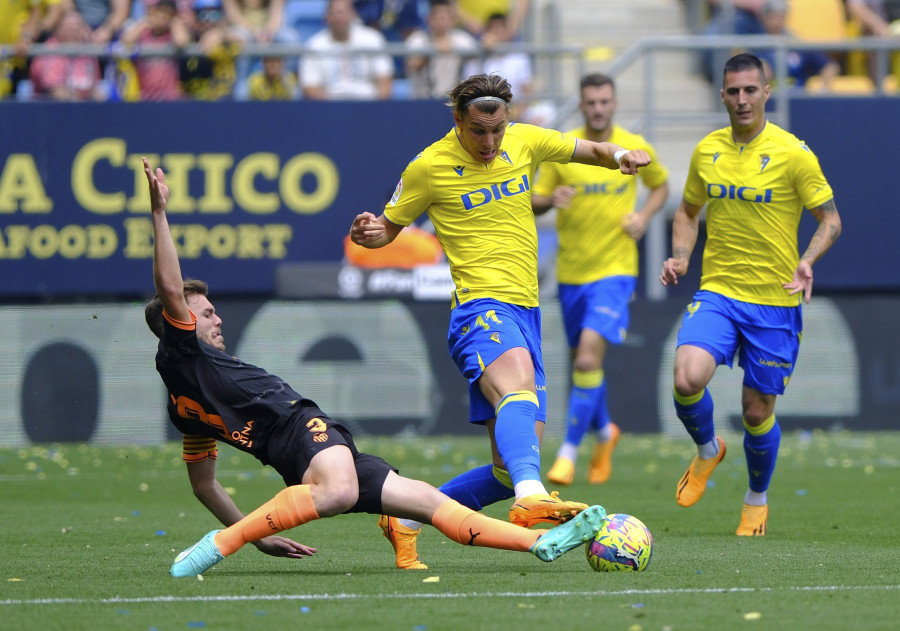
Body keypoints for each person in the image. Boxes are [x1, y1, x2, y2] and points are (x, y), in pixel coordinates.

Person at [140, 156, 609, 577]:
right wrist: (160, 213)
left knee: (403, 498)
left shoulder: (191, 391)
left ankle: (539, 542)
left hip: (307, 433)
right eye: (204, 314)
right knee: (419, 501)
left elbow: (205, 482)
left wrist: (254, 532)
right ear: (174, 322)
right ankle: (539, 540)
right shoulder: (183, 363)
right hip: (301, 455)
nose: (217, 318)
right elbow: (203, 483)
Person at [349, 73, 651, 569]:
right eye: (478, 132)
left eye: (497, 131)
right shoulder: (429, 166)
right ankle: (533, 496)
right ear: (457, 121)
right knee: (518, 394)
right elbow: (388, 230)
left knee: (505, 468)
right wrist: (369, 233)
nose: (489, 143)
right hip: (478, 309)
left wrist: (621, 157)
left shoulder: (526, 140)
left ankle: (402, 518)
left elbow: (591, 149)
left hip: (525, 311)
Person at [659, 53, 842, 536]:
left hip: (775, 300)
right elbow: (687, 211)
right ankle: (706, 451)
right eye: (733, 91)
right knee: (685, 378)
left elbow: (831, 219)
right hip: (719, 291)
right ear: (722, 95)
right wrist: (680, 255)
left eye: (750, 90)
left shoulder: (793, 153)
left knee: (756, 411)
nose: (742, 99)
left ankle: (756, 499)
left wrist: (807, 260)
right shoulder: (708, 150)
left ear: (766, 93)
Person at [532, 73, 670, 487]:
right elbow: (534, 200)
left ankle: (568, 453)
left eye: (604, 101)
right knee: (584, 365)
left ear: (614, 104)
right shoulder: (565, 150)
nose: (597, 108)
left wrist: (643, 217)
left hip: (614, 270)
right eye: (590, 101)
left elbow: (660, 187)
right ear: (581, 105)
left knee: (588, 359)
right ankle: (607, 430)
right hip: (572, 273)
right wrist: (550, 199)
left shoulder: (633, 146)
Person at [300, 0, 394, 100]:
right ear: (326, 17)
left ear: (353, 14)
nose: (338, 18)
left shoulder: (373, 39)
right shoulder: (314, 45)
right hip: (329, 108)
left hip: (368, 105)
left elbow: (385, 81)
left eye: (342, 12)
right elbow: (309, 88)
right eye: (333, 13)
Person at [750, 0, 840, 91]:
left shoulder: (796, 44)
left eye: (781, 16)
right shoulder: (755, 44)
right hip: (769, 98)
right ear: (764, 17)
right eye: (772, 16)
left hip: (799, 97)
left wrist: (824, 87)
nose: (777, 21)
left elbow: (829, 66)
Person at [461, 13, 532, 121]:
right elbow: (469, 90)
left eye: (501, 28)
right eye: (493, 28)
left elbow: (526, 89)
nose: (497, 31)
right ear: (486, 32)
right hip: (484, 110)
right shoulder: (475, 57)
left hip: (515, 108)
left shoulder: (519, 57)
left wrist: (519, 110)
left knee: (544, 113)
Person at [405, 0, 478, 100]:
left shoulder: (461, 38)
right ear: (429, 19)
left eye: (444, 17)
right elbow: (413, 64)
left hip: (452, 101)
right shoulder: (417, 39)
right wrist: (433, 50)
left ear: (452, 20)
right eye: (437, 17)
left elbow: (478, 53)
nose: (441, 21)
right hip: (422, 100)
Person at [28, 9, 107, 101]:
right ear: (57, 30)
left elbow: (94, 89)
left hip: (83, 107)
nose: (72, 31)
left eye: (77, 27)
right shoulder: (49, 51)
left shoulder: (88, 51)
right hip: (53, 109)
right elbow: (56, 92)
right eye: (68, 27)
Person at [120, 0, 191, 101]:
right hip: (144, 95)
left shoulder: (172, 34)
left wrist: (175, 22)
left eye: (168, 14)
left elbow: (182, 42)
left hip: (169, 96)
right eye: (161, 12)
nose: (163, 17)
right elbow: (126, 41)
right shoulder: (144, 33)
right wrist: (145, 22)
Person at [457, 0, 529, 40]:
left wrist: (511, 26)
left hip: (504, 31)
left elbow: (523, 2)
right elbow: (450, 4)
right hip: (468, 32)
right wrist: (469, 21)